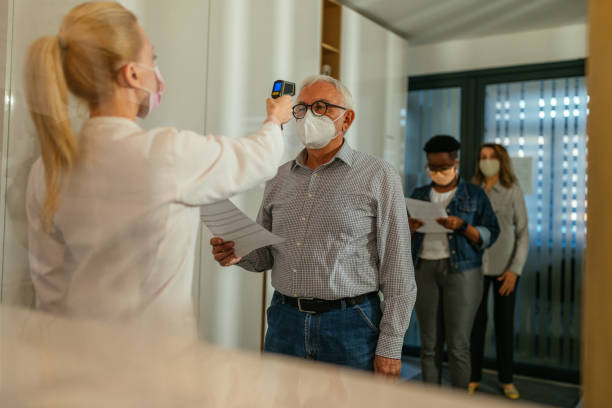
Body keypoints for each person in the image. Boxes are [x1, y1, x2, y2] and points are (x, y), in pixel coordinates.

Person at [24, 2, 293, 337]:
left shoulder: (47, 168)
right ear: (132, 74)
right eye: (153, 58)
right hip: (154, 365)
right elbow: (260, 158)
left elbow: (48, 290)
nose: (156, 69)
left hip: (79, 360)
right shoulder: (165, 153)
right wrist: (276, 118)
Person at [210, 75, 416, 378]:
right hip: (285, 321)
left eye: (321, 107)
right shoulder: (278, 177)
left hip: (351, 324)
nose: (309, 116)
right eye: (302, 108)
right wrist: (238, 253)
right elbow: (265, 256)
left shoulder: (378, 175)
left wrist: (391, 345)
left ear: (347, 119)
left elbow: (397, 269)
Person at [407, 135, 500, 389]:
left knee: (458, 345)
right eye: (433, 168)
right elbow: (403, 236)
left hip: (463, 271)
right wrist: (410, 228)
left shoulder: (474, 194)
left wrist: (464, 226)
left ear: (456, 163)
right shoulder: (419, 194)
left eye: (444, 167)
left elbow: (492, 230)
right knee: (429, 345)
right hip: (424, 268)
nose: (438, 173)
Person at [469, 144, 529, 400]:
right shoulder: (472, 190)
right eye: (483, 157)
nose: (487, 161)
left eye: (492, 157)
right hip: (475, 268)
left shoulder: (513, 190)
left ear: (501, 161)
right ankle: (473, 376)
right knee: (476, 325)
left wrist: (515, 270)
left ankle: (507, 379)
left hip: (505, 270)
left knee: (504, 326)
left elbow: (523, 233)